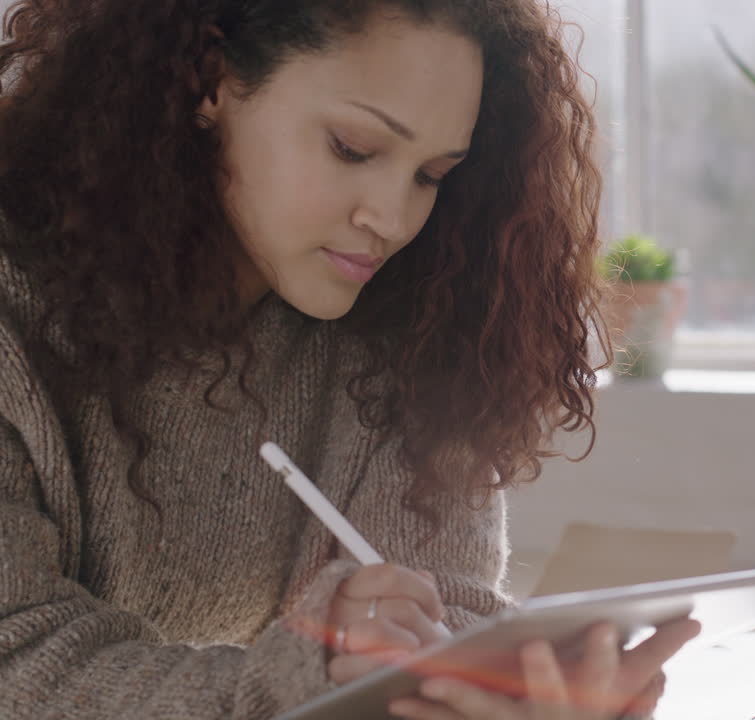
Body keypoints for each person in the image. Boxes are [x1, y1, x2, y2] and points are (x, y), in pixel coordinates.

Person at [0, 1, 699, 719]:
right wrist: (318, 676)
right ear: (210, 81)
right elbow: (16, 664)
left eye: (431, 174)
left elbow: (446, 605)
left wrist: (500, 692)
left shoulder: (418, 316)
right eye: (353, 148)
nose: (391, 219)